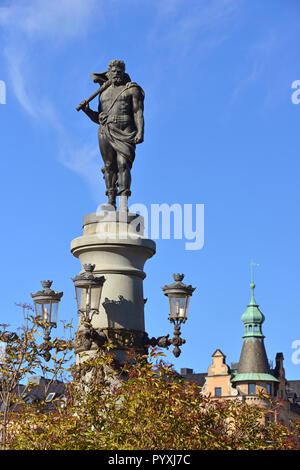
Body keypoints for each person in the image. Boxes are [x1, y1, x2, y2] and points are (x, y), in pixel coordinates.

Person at [79, 60, 144, 209]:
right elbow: (99, 118)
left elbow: (137, 112)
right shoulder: (103, 92)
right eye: (113, 71)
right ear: (109, 73)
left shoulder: (131, 90)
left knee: (123, 163)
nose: (116, 74)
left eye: (119, 71)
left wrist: (140, 131)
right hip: (106, 129)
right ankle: (111, 201)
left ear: (123, 72)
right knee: (109, 166)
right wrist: (87, 110)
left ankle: (123, 202)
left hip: (126, 129)